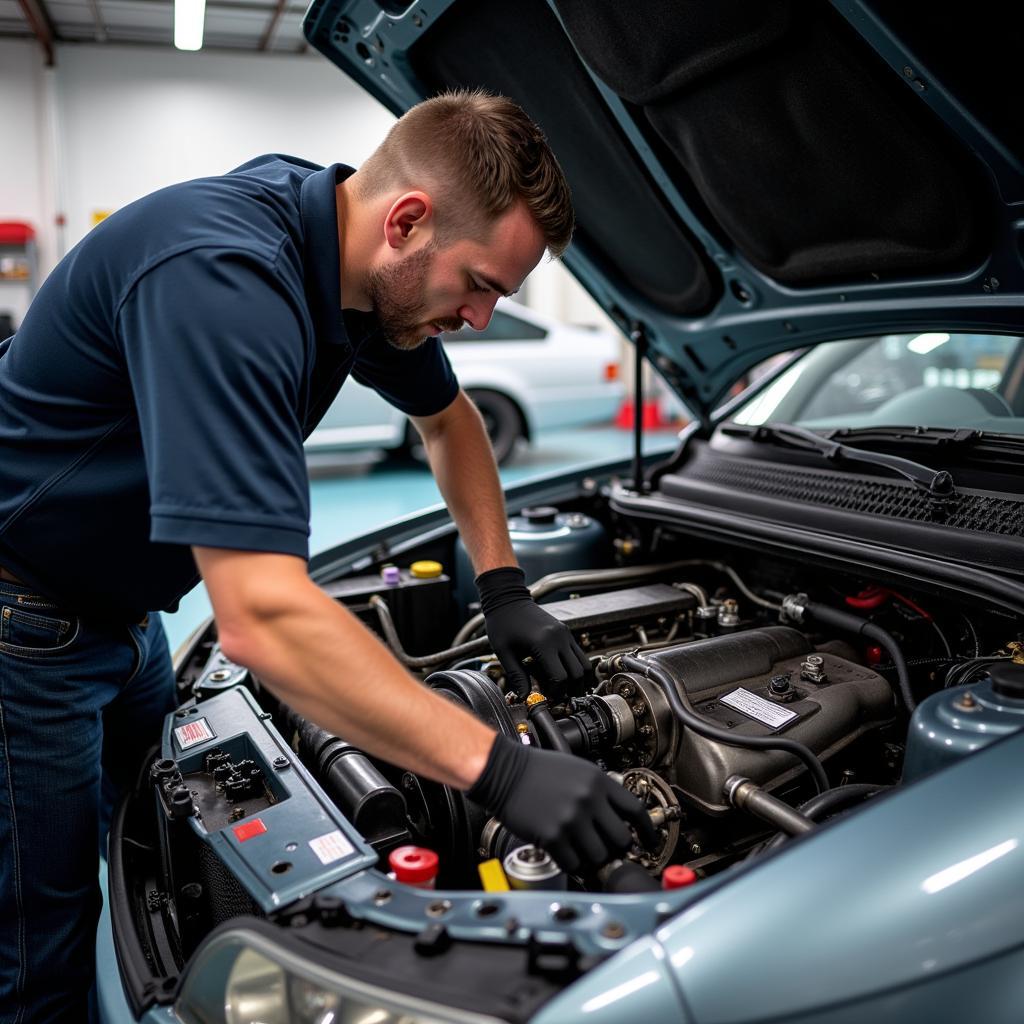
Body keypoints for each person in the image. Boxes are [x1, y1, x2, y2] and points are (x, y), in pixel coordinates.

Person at [0, 90, 654, 1022]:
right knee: (40, 943)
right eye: (479, 285)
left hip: (125, 612)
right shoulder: (225, 279)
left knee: (158, 847)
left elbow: (450, 421)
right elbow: (263, 617)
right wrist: (500, 770)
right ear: (409, 220)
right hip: (24, 623)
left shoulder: (348, 267)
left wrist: (504, 586)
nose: (477, 318)